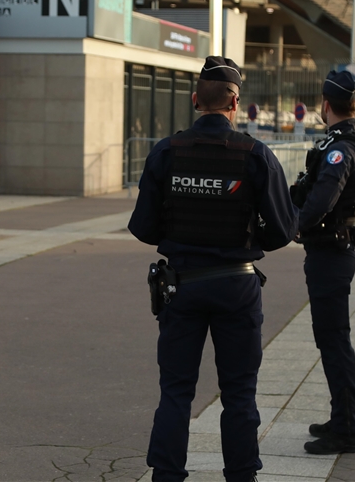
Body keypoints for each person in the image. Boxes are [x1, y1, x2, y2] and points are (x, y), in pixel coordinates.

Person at [128, 56, 299, 482]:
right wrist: (244, 237)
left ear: (194, 101)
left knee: (176, 392)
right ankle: (241, 476)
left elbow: (144, 228)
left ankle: (166, 475)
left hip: (181, 287)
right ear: (235, 102)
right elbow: (283, 230)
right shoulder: (256, 154)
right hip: (236, 286)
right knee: (239, 393)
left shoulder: (166, 152)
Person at [291, 70, 355, 455]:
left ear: (326, 105)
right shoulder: (351, 139)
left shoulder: (342, 148)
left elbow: (325, 195)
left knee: (334, 341)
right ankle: (341, 417)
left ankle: (347, 430)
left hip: (330, 252)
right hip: (332, 252)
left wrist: (294, 225)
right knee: (331, 340)